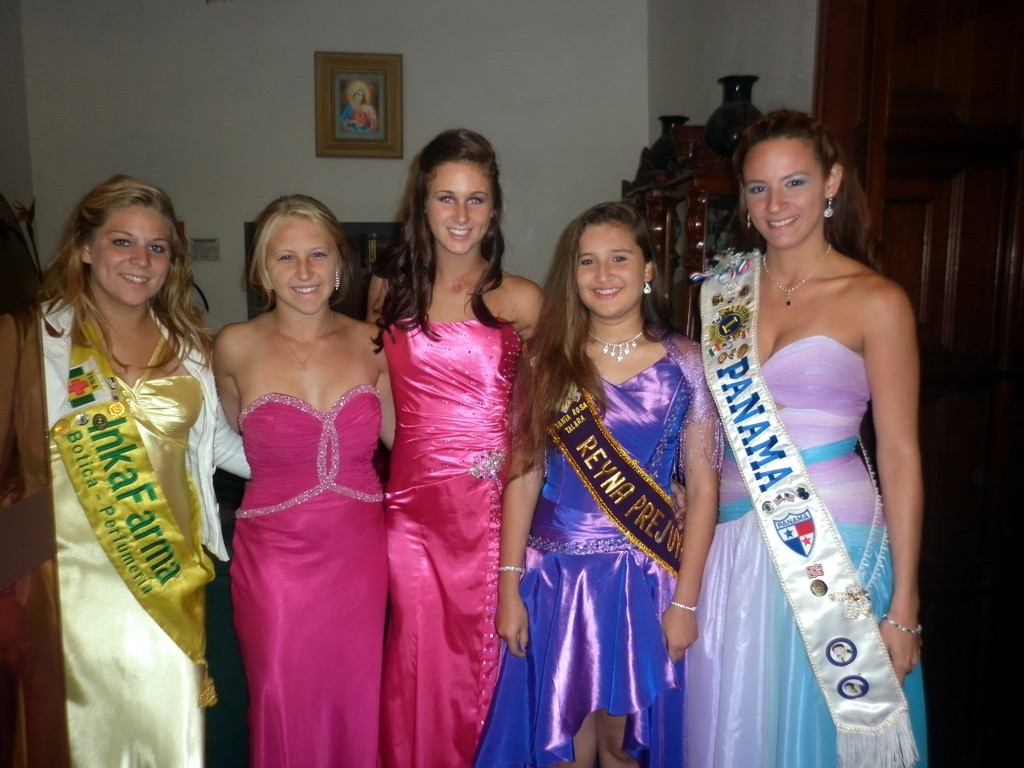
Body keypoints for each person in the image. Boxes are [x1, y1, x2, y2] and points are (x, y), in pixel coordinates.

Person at [686, 109, 928, 767]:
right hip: (729, 544)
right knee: (737, 725)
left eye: (794, 182)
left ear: (832, 183)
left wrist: (905, 604)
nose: (776, 204)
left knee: (818, 732)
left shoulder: (876, 299)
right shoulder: (721, 293)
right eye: (758, 187)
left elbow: (900, 453)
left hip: (834, 548)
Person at [473, 201, 721, 768]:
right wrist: (509, 587)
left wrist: (686, 600)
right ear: (573, 272)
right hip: (556, 577)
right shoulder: (545, 361)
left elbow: (705, 488)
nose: (603, 274)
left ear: (648, 268)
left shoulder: (687, 363)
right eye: (588, 261)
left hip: (644, 582)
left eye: (619, 258)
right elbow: (523, 475)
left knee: (622, 746)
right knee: (563, 746)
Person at [39, 174, 250, 765]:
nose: (140, 260)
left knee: (167, 731)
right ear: (85, 247)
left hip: (168, 570)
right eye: (122, 242)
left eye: (157, 247)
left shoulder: (189, 344)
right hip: (74, 582)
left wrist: (316, 465)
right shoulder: (39, 340)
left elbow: (218, 446)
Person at [367, 127, 543, 767]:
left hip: (494, 514)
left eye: (476, 198)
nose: (461, 214)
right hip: (413, 514)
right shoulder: (387, 293)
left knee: (485, 665)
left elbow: (543, 423)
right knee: (415, 664)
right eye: (446, 198)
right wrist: (426, 456)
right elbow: (381, 398)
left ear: (494, 208)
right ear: (422, 204)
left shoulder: (520, 299)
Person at [214, 194, 392, 768]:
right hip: (275, 559)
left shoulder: (374, 342)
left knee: (356, 695)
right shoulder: (234, 345)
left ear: (340, 262)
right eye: (285, 257)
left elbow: (413, 444)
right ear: (262, 269)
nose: (304, 272)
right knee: (279, 695)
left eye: (317, 254)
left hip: (359, 554)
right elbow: (223, 439)